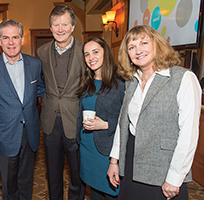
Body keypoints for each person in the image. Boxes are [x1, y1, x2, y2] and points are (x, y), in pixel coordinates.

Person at [107, 25, 201, 200]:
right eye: (131, 47)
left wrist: (175, 177)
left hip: (163, 168)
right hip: (132, 163)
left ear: (157, 44)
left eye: (144, 43)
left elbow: (188, 135)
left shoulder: (184, 78)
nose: (138, 50)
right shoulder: (132, 81)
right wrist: (114, 161)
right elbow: (123, 125)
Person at [0, 19, 45, 200]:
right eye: (6, 38)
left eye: (15, 37)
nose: (11, 42)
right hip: (4, 135)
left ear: (22, 39)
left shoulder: (35, 65)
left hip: (30, 133)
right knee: (9, 185)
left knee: (27, 181)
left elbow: (42, 91)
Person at [37, 5, 85, 200]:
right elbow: (39, 82)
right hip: (50, 122)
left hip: (76, 120)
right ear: (50, 27)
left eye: (65, 24)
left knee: (77, 173)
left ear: (73, 26)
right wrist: (46, 97)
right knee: (52, 172)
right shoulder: (42, 52)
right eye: (56, 24)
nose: (60, 28)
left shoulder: (86, 51)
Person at [76, 37, 124, 200]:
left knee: (111, 193)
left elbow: (128, 119)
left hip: (108, 150)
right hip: (87, 147)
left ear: (106, 53)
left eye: (96, 52)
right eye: (87, 54)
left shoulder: (121, 83)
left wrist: (105, 125)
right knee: (95, 192)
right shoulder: (86, 82)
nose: (91, 58)